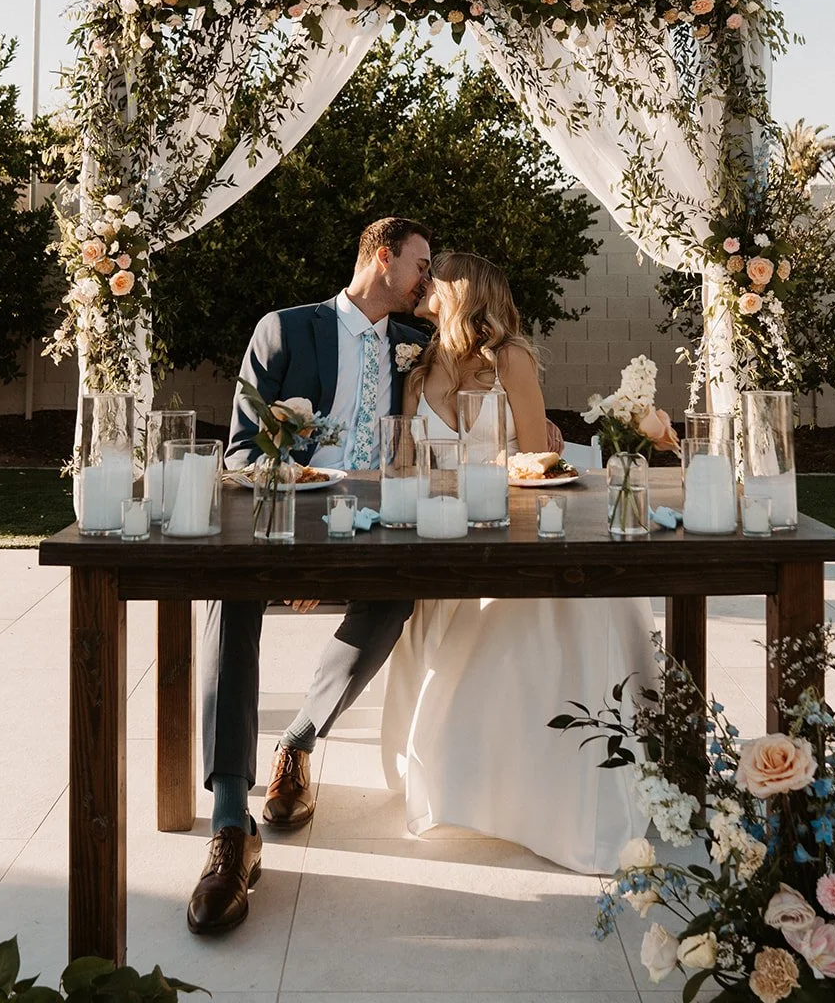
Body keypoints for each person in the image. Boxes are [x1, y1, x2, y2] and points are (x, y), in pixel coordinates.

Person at [188, 216, 433, 935]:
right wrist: (296, 534)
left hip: (374, 532)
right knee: (230, 594)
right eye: (420, 264)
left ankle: (296, 742)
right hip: (284, 522)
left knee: (397, 592)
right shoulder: (286, 330)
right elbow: (239, 453)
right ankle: (231, 824)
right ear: (383, 258)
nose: (427, 280)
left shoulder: (417, 345)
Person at [381, 250, 655, 874]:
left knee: (513, 629)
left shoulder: (512, 360)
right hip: (439, 531)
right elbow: (403, 459)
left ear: (465, 290)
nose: (424, 284)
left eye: (436, 276)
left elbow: (538, 460)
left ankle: (528, 792)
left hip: (510, 529)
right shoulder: (416, 369)